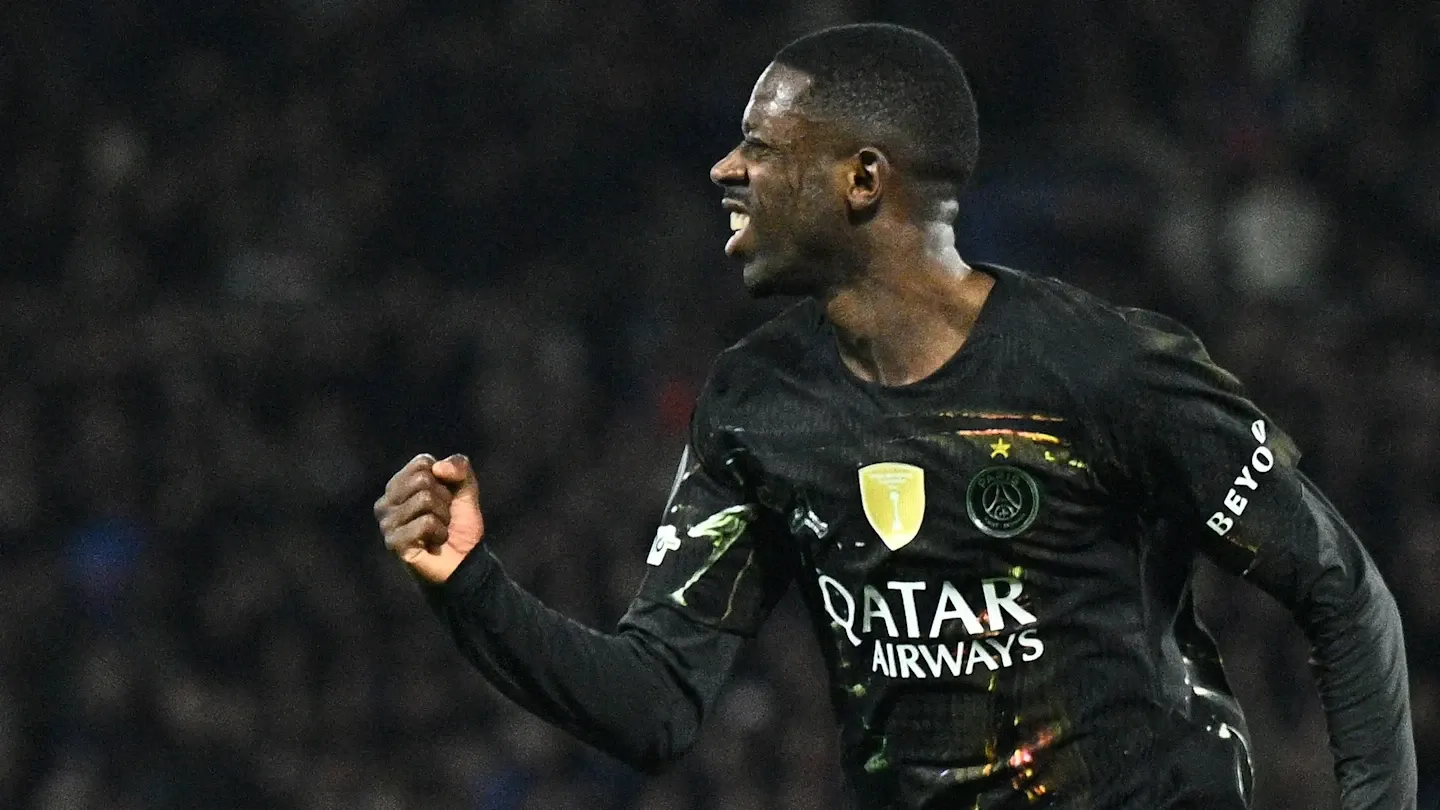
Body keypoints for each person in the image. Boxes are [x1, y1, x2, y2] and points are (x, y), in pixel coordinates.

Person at [373, 23, 1415, 810]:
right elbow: (655, 704)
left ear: (862, 179)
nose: (725, 169)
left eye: (759, 146)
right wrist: (470, 584)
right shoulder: (757, 404)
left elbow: (1342, 590)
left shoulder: (1107, 371)